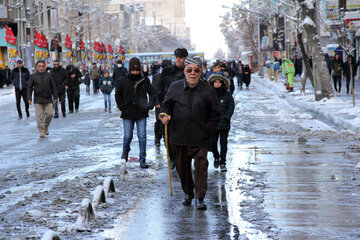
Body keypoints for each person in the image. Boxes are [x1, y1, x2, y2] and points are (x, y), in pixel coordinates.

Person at [159, 56, 221, 210]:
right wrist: (164, 115)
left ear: (201, 72)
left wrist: (208, 130)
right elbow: (166, 105)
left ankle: (200, 197)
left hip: (200, 138)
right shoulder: (175, 87)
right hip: (179, 137)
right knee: (182, 168)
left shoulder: (208, 90)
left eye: (196, 70)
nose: (193, 73)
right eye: (189, 70)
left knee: (201, 168)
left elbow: (215, 113)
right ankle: (188, 193)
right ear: (184, 71)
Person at [115, 57, 155, 169]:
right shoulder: (123, 80)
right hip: (127, 113)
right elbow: (118, 95)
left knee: (142, 136)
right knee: (128, 136)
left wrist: (149, 105)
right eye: (133, 70)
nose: (135, 72)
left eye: (137, 70)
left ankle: (142, 160)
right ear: (130, 69)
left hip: (141, 113)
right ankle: (125, 153)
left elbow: (152, 93)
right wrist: (122, 107)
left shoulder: (144, 80)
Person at [156, 47, 188, 169]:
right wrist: (161, 102)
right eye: (177, 57)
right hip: (168, 106)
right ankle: (172, 158)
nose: (178, 59)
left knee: (183, 134)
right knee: (167, 135)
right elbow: (159, 88)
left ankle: (183, 158)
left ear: (185, 58)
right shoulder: (167, 72)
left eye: (181, 57)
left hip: (183, 108)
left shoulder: (189, 71)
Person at [208, 73, 235, 171]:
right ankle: (216, 156)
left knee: (223, 143)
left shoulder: (227, 94)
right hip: (213, 123)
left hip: (224, 123)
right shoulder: (209, 94)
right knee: (212, 143)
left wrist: (227, 117)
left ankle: (223, 162)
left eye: (219, 82)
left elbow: (231, 106)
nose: (217, 84)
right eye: (215, 82)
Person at [27, 60, 58, 138]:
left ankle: (45, 126)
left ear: (45, 67)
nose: (41, 68)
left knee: (50, 114)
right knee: (39, 116)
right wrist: (29, 98)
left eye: (42, 66)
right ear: (37, 67)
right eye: (39, 66)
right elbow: (29, 87)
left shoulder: (49, 76)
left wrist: (55, 97)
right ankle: (41, 131)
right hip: (38, 99)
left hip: (48, 99)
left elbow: (53, 87)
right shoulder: (33, 76)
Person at [152, 59, 172, 147]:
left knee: (167, 122)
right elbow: (154, 91)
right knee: (158, 121)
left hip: (169, 104)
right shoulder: (156, 77)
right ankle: (157, 137)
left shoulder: (173, 77)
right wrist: (156, 103)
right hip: (159, 103)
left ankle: (166, 139)